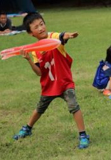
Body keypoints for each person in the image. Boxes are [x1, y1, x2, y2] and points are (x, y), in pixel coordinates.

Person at [13, 12, 89, 149]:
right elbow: (39, 72)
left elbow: (61, 36)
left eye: (42, 24)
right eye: (36, 27)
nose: (41, 28)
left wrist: (68, 35)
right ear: (31, 33)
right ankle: (28, 128)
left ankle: (83, 135)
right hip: (49, 85)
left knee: (74, 106)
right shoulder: (35, 51)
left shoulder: (53, 37)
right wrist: (29, 60)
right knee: (40, 108)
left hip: (65, 82)